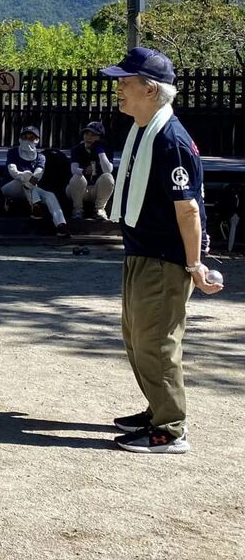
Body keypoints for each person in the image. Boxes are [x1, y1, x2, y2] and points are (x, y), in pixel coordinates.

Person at [102, 47, 222, 454]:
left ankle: (170, 429)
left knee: (156, 342)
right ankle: (157, 409)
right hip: (141, 250)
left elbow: (188, 208)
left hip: (163, 258)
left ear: (150, 89)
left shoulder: (171, 140)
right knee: (137, 338)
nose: (119, 88)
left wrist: (195, 264)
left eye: (125, 82)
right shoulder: (145, 130)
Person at [0, 125, 70, 237]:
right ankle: (34, 205)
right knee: (26, 175)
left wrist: (29, 182)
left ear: (37, 140)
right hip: (11, 186)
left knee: (50, 195)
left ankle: (61, 225)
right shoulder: (13, 152)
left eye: (31, 138)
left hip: (30, 189)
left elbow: (38, 174)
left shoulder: (40, 157)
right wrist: (25, 176)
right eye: (25, 137)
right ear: (20, 138)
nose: (28, 140)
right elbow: (12, 171)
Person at [66, 121, 115, 220]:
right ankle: (77, 209)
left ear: (100, 138)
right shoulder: (77, 149)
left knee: (108, 177)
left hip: (96, 190)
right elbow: (73, 169)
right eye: (87, 134)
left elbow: (108, 170)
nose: (89, 137)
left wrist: (100, 151)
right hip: (80, 191)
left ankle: (100, 209)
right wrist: (83, 171)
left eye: (93, 135)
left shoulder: (105, 149)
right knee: (77, 177)